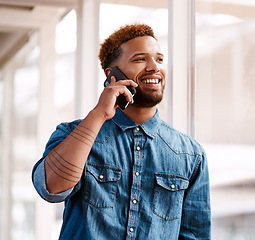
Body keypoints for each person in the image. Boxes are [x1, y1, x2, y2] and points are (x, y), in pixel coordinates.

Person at [32, 23, 211, 239]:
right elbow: (51, 188)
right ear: (112, 75)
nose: (154, 67)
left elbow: (195, 235)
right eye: (140, 59)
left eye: (159, 59)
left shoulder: (191, 154)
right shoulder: (73, 134)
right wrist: (99, 113)